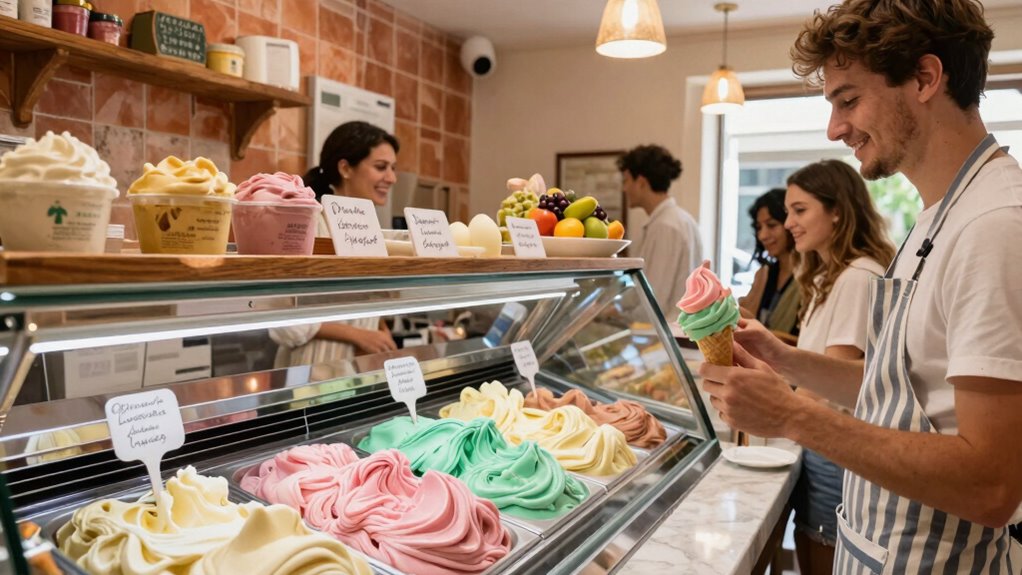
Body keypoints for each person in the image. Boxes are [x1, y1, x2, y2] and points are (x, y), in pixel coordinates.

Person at [700, 1, 1022, 573]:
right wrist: (785, 360)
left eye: (848, 100)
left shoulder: (995, 225)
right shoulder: (936, 214)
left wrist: (794, 417)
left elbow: (992, 483)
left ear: (925, 78)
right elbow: (903, 390)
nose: (835, 128)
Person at [782, 160, 896, 574]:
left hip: (835, 447)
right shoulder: (830, 275)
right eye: (788, 211)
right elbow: (813, 361)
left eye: (800, 210)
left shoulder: (857, 276)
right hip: (820, 441)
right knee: (807, 547)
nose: (788, 222)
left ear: (837, 210)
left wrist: (774, 409)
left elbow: (835, 377)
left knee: (822, 559)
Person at [269, 121, 400, 367]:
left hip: (356, 373)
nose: (391, 178)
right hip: (310, 369)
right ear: (345, 168)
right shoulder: (308, 224)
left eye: (393, 168)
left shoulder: (372, 229)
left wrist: (378, 327)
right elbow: (280, 319)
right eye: (381, 167)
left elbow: (362, 297)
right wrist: (357, 335)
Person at [618, 144, 703, 319]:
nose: (624, 188)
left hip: (670, 331)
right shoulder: (678, 218)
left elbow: (655, 300)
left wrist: (618, 315)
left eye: (626, 181)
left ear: (641, 182)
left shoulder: (666, 226)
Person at [738, 188, 800, 339]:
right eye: (759, 228)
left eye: (771, 225)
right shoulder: (764, 274)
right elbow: (747, 320)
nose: (763, 235)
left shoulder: (810, 276)